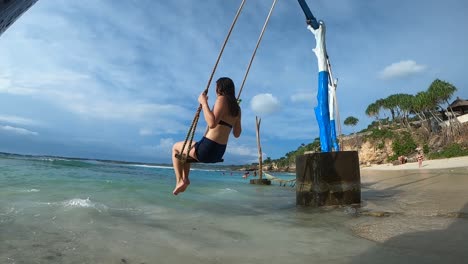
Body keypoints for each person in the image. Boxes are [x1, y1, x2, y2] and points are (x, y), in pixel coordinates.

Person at [171, 77, 242, 195]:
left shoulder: (222, 99)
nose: (216, 91)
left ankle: (180, 180)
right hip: (218, 153)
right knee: (185, 150)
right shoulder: (237, 109)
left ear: (220, 88)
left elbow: (212, 123)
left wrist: (204, 103)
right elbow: (237, 134)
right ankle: (186, 179)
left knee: (175, 148)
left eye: (216, 88)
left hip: (207, 149)